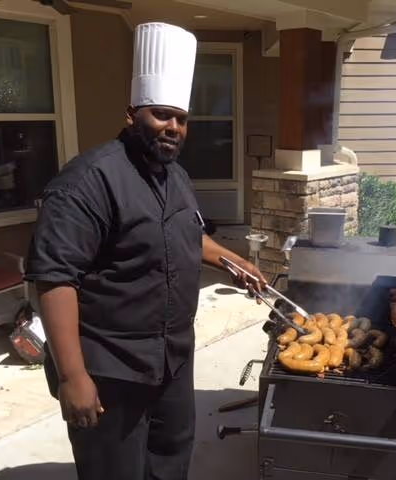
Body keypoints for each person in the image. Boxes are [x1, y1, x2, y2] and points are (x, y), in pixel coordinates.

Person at [24, 22, 266, 480]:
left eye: (181, 118)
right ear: (131, 113)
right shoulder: (87, 181)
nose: (173, 127)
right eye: (160, 114)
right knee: (115, 471)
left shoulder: (173, 174)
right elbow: (55, 278)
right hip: (111, 366)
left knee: (170, 461)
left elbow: (187, 235)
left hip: (172, 357)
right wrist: (73, 377)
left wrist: (232, 261)